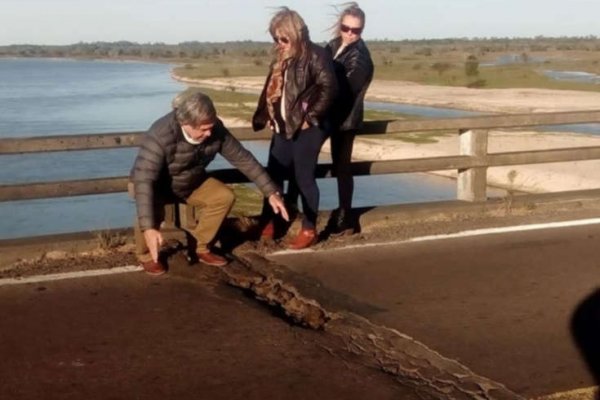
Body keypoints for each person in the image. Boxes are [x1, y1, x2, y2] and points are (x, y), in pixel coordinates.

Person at [130, 91, 289, 276]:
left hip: (191, 182)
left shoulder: (215, 130)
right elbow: (144, 180)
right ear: (185, 124)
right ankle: (146, 256)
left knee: (223, 196)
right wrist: (149, 228)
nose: (209, 133)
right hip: (156, 184)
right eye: (203, 129)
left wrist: (271, 192)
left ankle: (201, 246)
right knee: (148, 209)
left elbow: (243, 159)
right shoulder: (160, 134)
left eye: (211, 127)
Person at [252, 7, 337, 250]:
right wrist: (268, 115)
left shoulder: (316, 55)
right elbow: (272, 90)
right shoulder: (280, 58)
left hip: (309, 128)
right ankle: (271, 220)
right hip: (283, 126)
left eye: (283, 38)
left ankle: (309, 228)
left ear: (296, 33)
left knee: (303, 176)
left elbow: (329, 88)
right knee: (274, 175)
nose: (279, 43)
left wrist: (311, 116)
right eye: (275, 38)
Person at [324, 2, 374, 234]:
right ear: (340, 26)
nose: (350, 34)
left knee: (341, 167)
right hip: (327, 115)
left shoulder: (361, 58)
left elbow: (345, 91)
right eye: (346, 28)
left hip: (345, 121)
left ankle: (345, 215)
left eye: (356, 30)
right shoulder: (332, 45)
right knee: (303, 160)